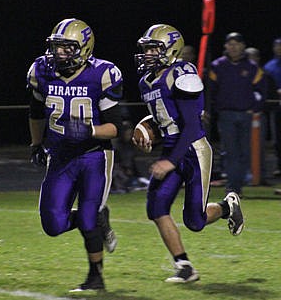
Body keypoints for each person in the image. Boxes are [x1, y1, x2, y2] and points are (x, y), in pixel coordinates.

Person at [132, 24, 244, 283]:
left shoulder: (182, 73)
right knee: (156, 208)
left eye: (153, 49)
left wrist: (170, 162)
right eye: (146, 49)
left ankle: (228, 207)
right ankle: (184, 266)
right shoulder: (145, 81)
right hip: (173, 147)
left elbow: (192, 125)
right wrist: (147, 128)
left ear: (170, 51)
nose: (147, 54)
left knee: (195, 220)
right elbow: (166, 118)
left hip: (193, 150)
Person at [27, 18, 122, 291]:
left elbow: (115, 128)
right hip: (60, 156)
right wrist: (36, 144)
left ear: (84, 48)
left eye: (67, 48)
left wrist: (89, 130)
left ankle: (96, 277)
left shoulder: (102, 74)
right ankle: (95, 217)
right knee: (53, 224)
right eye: (56, 48)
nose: (59, 54)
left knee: (89, 217)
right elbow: (35, 112)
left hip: (94, 155)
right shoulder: (41, 71)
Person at [208, 32, 266, 196]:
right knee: (232, 152)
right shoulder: (218, 66)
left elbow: (261, 91)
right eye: (230, 43)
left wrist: (254, 107)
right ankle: (233, 187)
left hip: (245, 115)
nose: (233, 47)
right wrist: (211, 109)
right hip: (226, 115)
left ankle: (236, 185)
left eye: (237, 44)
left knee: (244, 153)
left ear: (243, 46)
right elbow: (209, 91)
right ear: (226, 46)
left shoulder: (252, 67)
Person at [245, 47, 270, 185]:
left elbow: (262, 94)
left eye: (253, 57)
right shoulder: (240, 72)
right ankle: (245, 176)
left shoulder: (261, 74)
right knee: (242, 148)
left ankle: (261, 176)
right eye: (248, 57)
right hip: (243, 115)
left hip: (257, 116)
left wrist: (255, 108)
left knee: (259, 147)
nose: (251, 60)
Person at [111, 120, 149, 193]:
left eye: (131, 133)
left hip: (128, 173)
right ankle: (120, 187)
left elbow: (132, 162)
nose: (129, 135)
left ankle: (136, 183)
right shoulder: (115, 144)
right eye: (127, 132)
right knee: (117, 172)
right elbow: (115, 162)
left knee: (140, 179)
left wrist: (134, 172)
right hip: (117, 172)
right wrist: (126, 168)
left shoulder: (130, 145)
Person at [263, 38, 281, 177]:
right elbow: (266, 88)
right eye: (277, 46)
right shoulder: (269, 66)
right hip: (276, 107)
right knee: (278, 139)